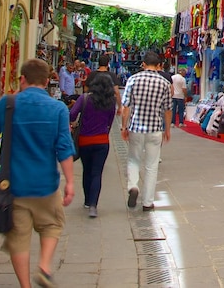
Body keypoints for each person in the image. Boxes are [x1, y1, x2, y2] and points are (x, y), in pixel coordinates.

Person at [0, 59, 75, 288]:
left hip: (13, 186)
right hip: (46, 184)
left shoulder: (9, 103)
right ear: (47, 81)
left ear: (22, 79)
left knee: (18, 239)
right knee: (52, 225)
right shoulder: (58, 109)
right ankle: (44, 266)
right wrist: (70, 182)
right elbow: (64, 147)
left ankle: (25, 286)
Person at [120, 51, 173, 211]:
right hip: (155, 128)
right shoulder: (164, 83)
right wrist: (167, 129)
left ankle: (133, 186)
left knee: (133, 160)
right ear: (159, 66)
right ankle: (147, 202)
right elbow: (168, 109)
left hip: (136, 127)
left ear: (143, 64)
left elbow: (126, 107)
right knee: (151, 166)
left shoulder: (133, 80)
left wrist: (124, 126)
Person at [69, 69, 117, 218]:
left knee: (87, 171)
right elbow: (110, 121)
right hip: (102, 141)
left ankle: (86, 200)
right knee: (97, 173)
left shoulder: (84, 98)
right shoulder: (111, 102)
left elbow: (71, 115)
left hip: (84, 140)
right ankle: (93, 205)